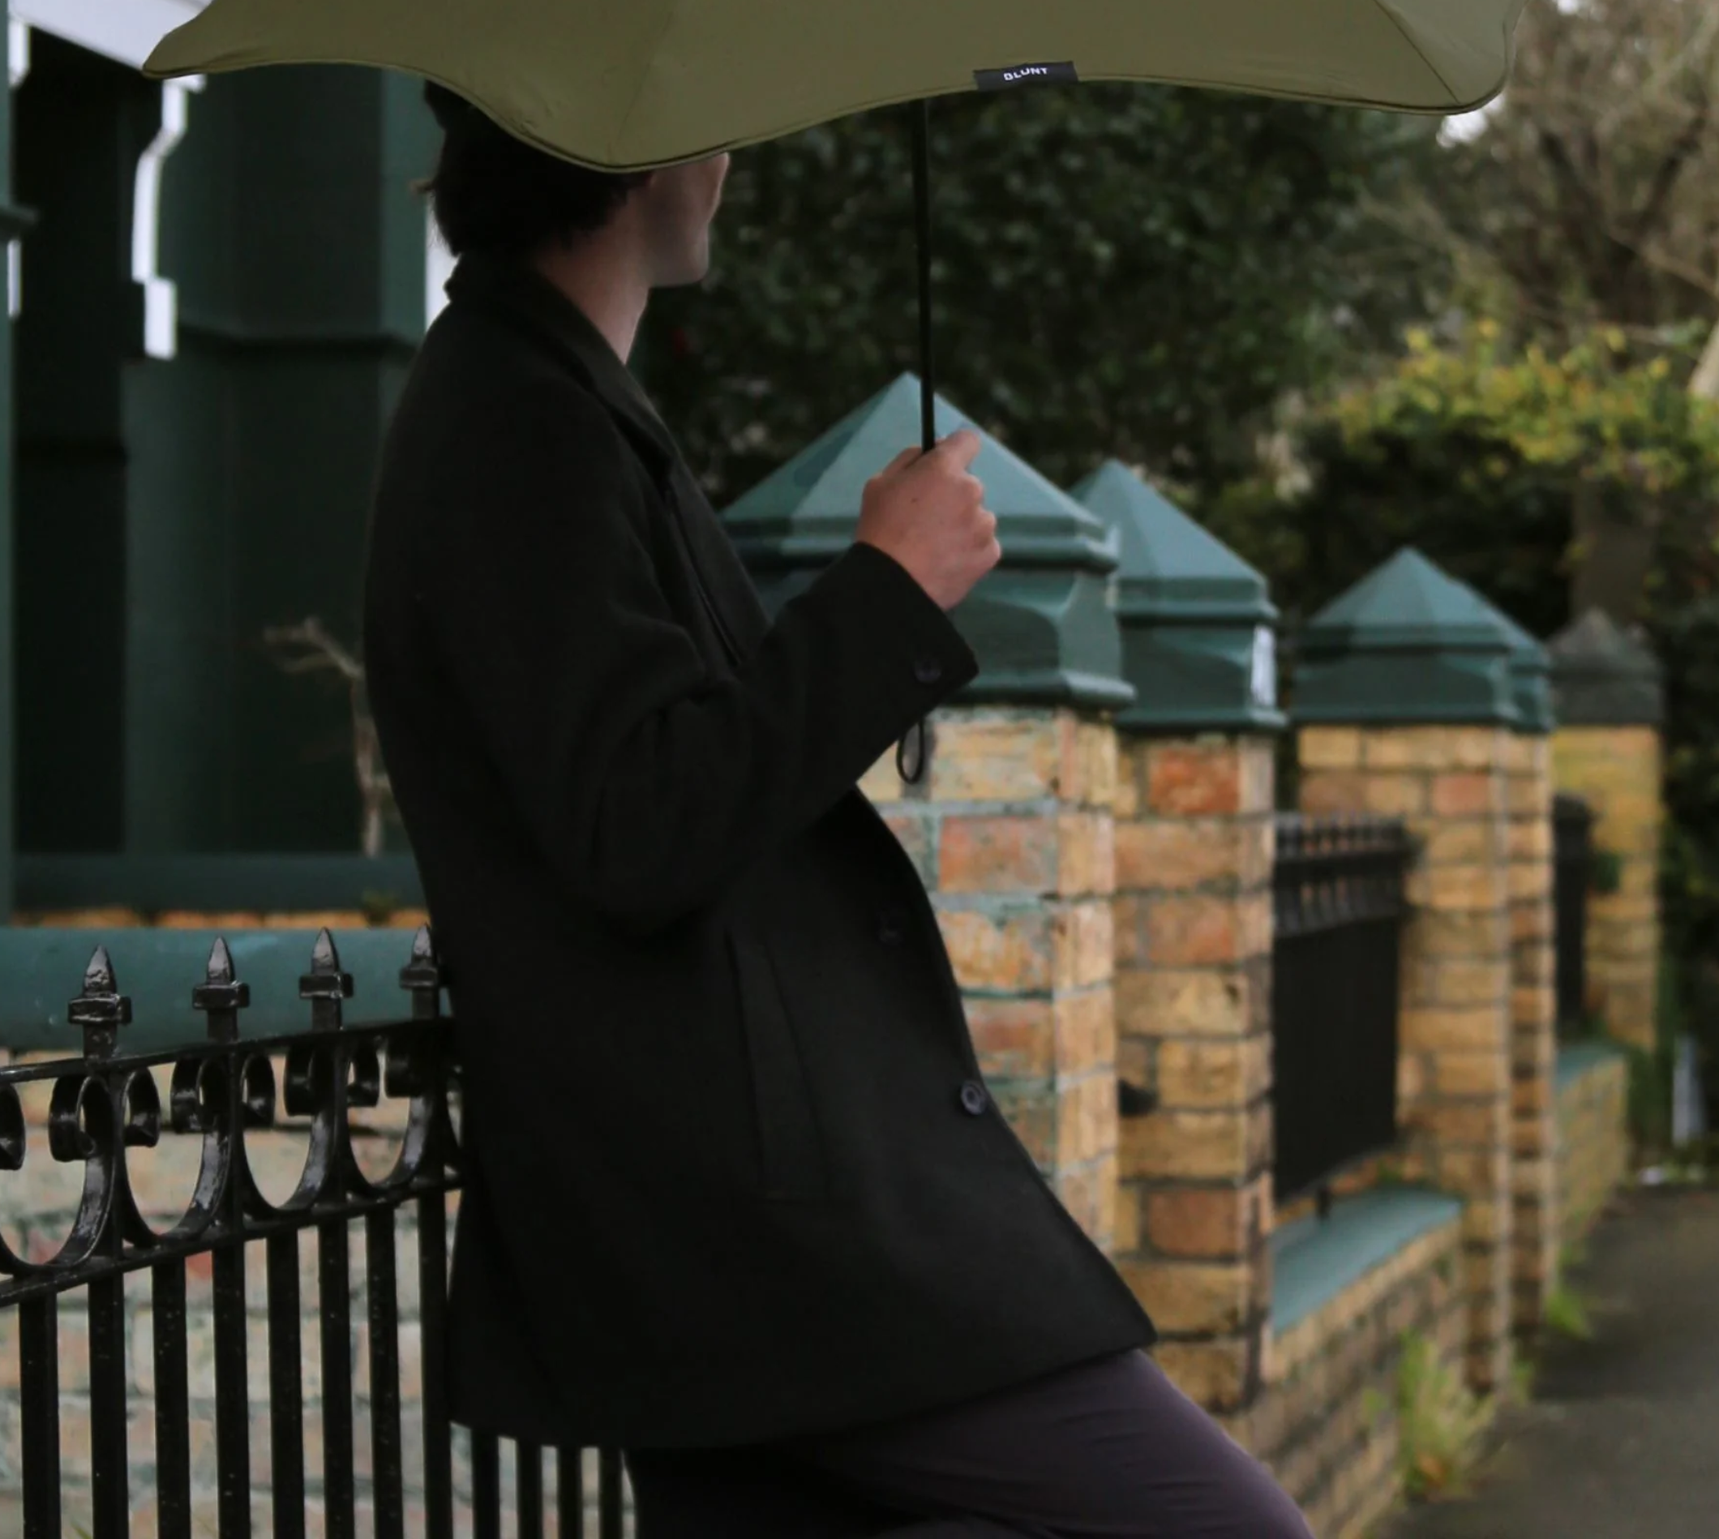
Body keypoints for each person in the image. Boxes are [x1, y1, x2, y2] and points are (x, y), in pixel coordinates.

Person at [362, 84, 1312, 1538]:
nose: (729, 158)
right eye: (714, 121)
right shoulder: (517, 421)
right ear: (635, 155)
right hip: (756, 1230)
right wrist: (886, 589)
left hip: (730, 1229)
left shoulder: (556, 398)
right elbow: (640, 821)